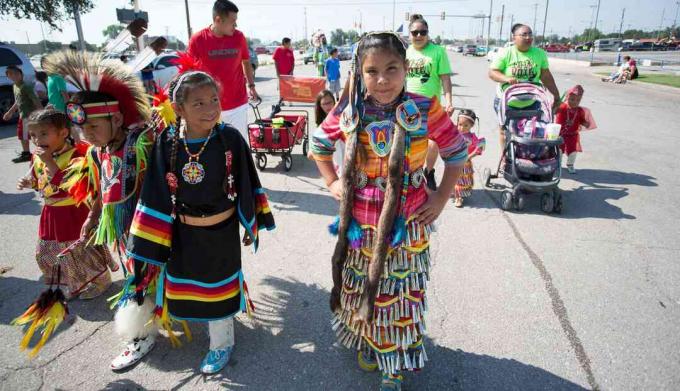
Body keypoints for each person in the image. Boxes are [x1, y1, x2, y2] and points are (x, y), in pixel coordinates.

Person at [311, 32, 467, 391]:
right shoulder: (350, 110)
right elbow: (319, 144)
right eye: (372, 71)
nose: (382, 80)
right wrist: (333, 182)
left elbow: (456, 153)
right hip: (359, 226)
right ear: (359, 73)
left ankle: (392, 364)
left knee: (397, 294)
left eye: (392, 69)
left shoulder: (425, 107)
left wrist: (441, 197)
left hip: (407, 224)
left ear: (406, 68)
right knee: (362, 287)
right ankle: (368, 339)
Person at [124, 70, 275, 374]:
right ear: (178, 108)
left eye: (214, 100)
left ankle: (221, 344)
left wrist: (250, 223)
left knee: (218, 290)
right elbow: (155, 190)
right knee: (189, 285)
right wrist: (150, 239)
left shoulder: (229, 138)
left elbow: (247, 180)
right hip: (183, 234)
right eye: (198, 104)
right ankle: (200, 329)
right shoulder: (167, 142)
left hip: (222, 234)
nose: (210, 109)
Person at [44, 50, 156, 371]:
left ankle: (143, 333)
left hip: (151, 229)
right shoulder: (97, 152)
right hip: (124, 235)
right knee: (138, 276)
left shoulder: (142, 142)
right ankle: (143, 329)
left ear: (117, 118)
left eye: (93, 125)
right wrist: (93, 219)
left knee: (148, 278)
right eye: (82, 129)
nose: (86, 134)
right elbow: (101, 190)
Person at [16, 109, 115, 300]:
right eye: (33, 135)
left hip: (73, 212)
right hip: (51, 213)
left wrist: (50, 162)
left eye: (44, 134)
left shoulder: (77, 155)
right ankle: (73, 283)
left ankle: (101, 281)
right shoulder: (38, 156)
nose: (37, 140)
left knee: (80, 250)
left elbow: (72, 187)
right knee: (47, 250)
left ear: (63, 133)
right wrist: (30, 182)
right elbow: (41, 180)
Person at [489, 23, 560, 166]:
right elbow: (492, 72)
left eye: (530, 34)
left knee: (531, 131)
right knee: (505, 131)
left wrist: (556, 96)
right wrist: (506, 78)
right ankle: (506, 159)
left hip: (532, 101)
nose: (528, 37)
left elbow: (545, 76)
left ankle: (528, 157)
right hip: (507, 101)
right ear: (514, 37)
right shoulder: (506, 53)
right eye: (524, 34)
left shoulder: (539, 54)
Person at [187, 0, 259, 141]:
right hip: (208, 108)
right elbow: (189, 71)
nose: (236, 25)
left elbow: (246, 62)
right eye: (233, 21)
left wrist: (251, 86)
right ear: (218, 20)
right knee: (212, 148)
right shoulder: (198, 39)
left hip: (237, 104)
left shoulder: (239, 37)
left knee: (238, 144)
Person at [405, 14, 454, 191]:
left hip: (432, 106)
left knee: (432, 143)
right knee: (411, 143)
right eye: (415, 32)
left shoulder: (438, 51)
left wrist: (448, 100)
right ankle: (412, 175)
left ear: (427, 33)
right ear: (409, 34)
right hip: (408, 106)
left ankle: (429, 171)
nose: (418, 36)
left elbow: (445, 78)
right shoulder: (405, 53)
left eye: (422, 32)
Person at [3, 65, 43, 163]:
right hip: (23, 115)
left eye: (16, 74)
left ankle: (43, 150)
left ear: (22, 75)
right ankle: (26, 153)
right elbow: (18, 101)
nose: (14, 76)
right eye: (10, 74)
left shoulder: (26, 87)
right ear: (7, 76)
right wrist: (10, 112)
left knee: (32, 134)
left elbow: (35, 100)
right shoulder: (15, 86)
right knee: (23, 135)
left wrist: (42, 112)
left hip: (29, 115)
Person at [555, 85, 596, 174]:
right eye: (572, 99)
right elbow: (554, 110)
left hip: (573, 135)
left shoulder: (580, 110)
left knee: (573, 151)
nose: (575, 102)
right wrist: (556, 104)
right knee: (559, 150)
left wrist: (585, 123)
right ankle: (558, 164)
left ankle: (570, 164)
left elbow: (581, 120)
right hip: (560, 134)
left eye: (578, 100)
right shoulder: (562, 107)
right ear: (567, 98)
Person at [452, 109, 486, 207]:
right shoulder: (454, 133)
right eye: (460, 124)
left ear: (472, 125)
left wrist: (468, 157)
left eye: (466, 125)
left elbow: (478, 150)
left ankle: (459, 197)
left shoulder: (472, 138)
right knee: (453, 178)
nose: (461, 128)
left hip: (465, 163)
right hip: (453, 161)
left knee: (461, 179)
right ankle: (457, 196)